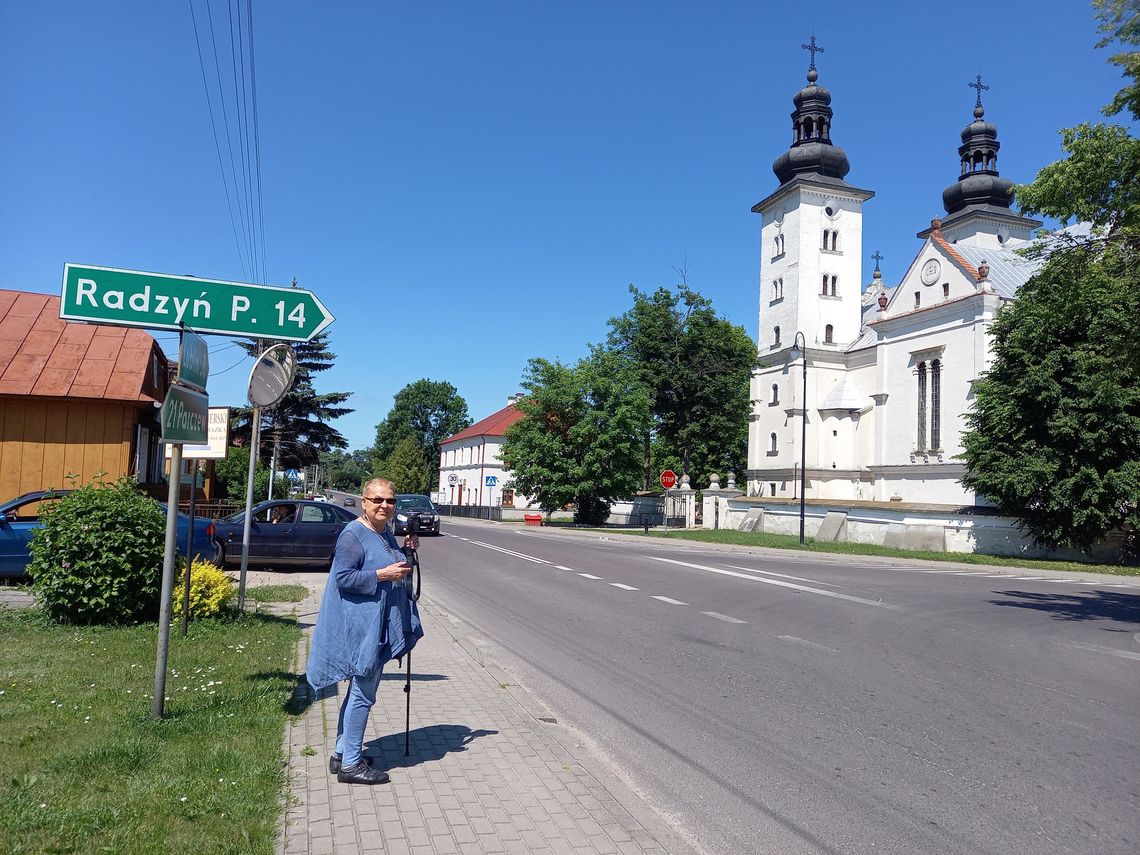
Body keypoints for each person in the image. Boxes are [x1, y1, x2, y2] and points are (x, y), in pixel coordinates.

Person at [305, 477, 423, 785]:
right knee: (363, 694)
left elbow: (390, 561)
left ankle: (342, 753)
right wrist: (383, 574)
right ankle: (352, 765)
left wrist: (406, 551)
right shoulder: (353, 535)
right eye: (378, 500)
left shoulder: (383, 532)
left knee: (359, 691)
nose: (385, 505)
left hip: (375, 623)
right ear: (364, 502)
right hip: (361, 628)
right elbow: (343, 578)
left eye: (390, 501)